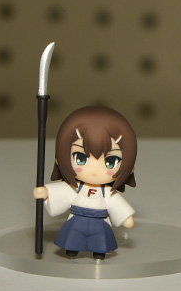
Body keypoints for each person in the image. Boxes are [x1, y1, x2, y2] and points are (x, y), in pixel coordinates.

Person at [33, 106, 137, 259]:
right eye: (80, 158)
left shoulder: (107, 192)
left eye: (110, 161)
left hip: (100, 221)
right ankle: (72, 249)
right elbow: (61, 193)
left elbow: (117, 204)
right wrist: (46, 192)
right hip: (77, 219)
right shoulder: (75, 188)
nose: (95, 170)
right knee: (73, 236)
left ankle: (99, 251)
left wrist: (125, 217)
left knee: (100, 239)